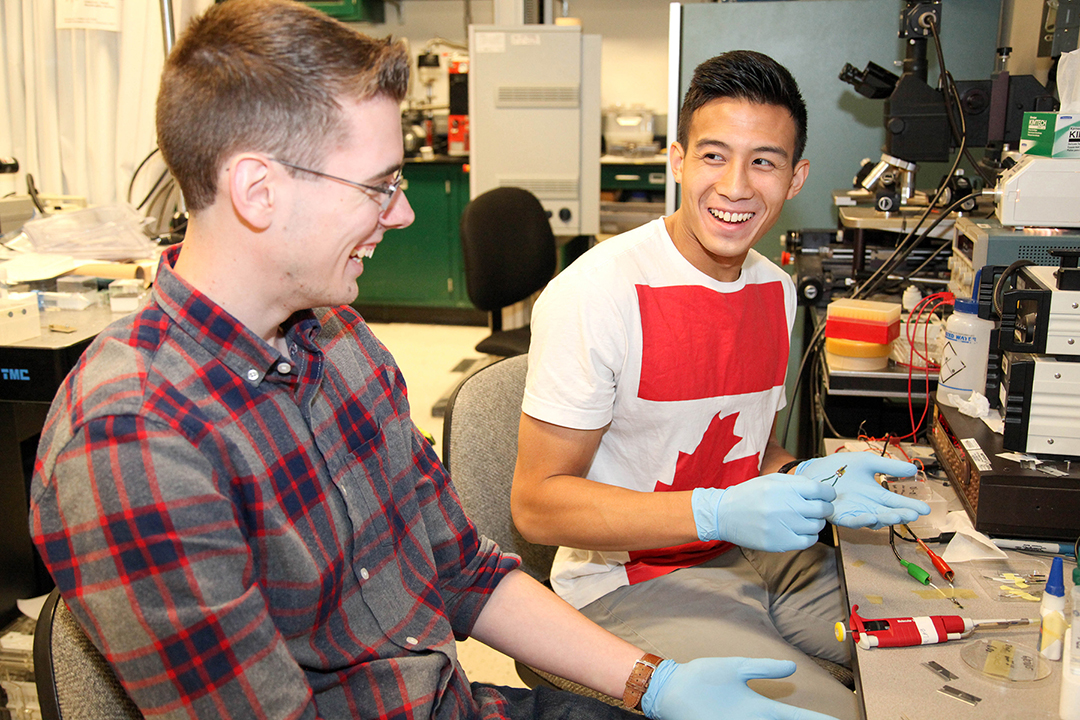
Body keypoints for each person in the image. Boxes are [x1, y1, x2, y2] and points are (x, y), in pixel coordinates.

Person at [28, 3, 846, 720]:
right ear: (257, 190)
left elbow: (465, 572)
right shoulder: (134, 440)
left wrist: (653, 683)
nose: (408, 209)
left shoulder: (342, 344)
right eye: (380, 184)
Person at [513, 50, 931, 720]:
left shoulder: (777, 289)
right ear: (678, 160)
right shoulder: (599, 292)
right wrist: (712, 513)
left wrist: (817, 477)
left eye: (763, 161)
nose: (736, 186)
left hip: (754, 554)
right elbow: (537, 505)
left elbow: (744, 458)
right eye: (714, 156)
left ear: (796, 178)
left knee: (929, 653)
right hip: (632, 578)